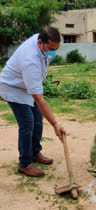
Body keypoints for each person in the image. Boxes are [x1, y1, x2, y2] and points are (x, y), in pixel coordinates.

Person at [0, 27, 66, 177]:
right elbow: (39, 98)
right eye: (50, 49)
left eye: (56, 49)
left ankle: (35, 153)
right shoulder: (30, 61)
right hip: (13, 87)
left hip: (25, 83)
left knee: (38, 119)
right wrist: (55, 124)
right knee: (27, 123)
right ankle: (25, 163)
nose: (53, 52)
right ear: (40, 42)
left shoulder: (42, 40)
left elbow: (37, 95)